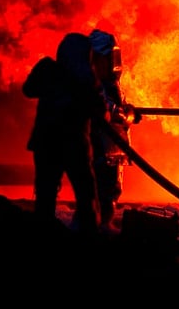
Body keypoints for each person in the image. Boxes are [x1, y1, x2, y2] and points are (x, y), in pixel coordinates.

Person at [23, 32, 107, 237]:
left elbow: (28, 89)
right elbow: (100, 112)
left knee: (48, 191)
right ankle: (87, 234)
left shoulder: (53, 71)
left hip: (49, 144)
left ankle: (46, 233)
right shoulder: (84, 79)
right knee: (84, 192)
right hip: (73, 146)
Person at [88, 28, 140, 233]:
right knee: (102, 194)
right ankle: (97, 233)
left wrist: (130, 113)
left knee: (111, 193)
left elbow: (118, 110)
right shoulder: (94, 85)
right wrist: (127, 114)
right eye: (106, 59)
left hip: (113, 150)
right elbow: (110, 112)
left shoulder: (111, 85)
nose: (111, 63)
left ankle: (101, 228)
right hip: (101, 149)